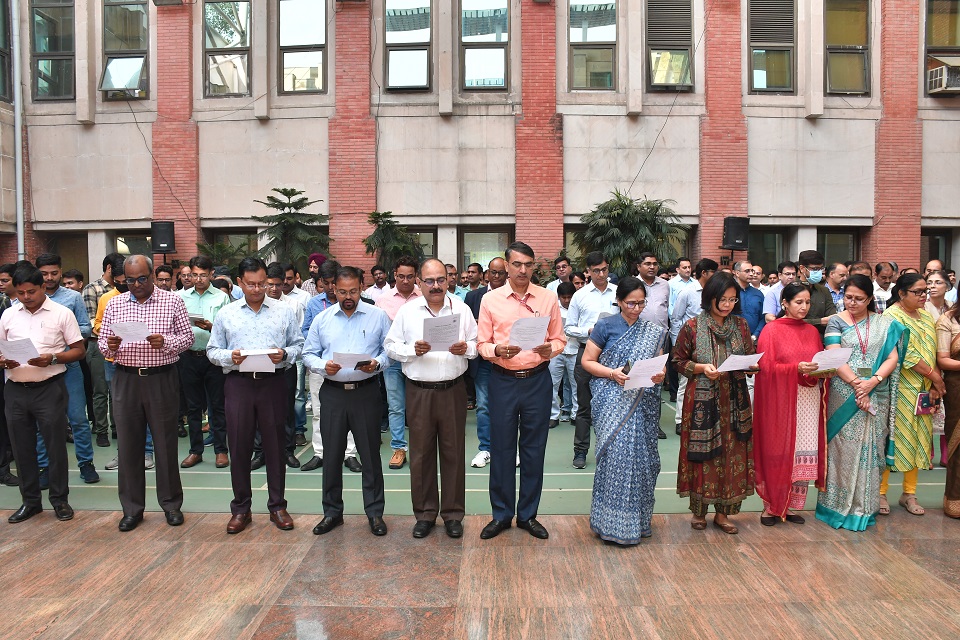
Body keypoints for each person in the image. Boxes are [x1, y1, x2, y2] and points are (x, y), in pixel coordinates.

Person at [207, 257, 304, 534]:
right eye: (251, 284)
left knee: (275, 445)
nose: (258, 289)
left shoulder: (284, 311)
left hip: (273, 383)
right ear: (240, 283)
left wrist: (284, 354)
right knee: (239, 446)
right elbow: (213, 351)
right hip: (238, 384)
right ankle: (241, 509)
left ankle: (277, 506)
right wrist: (231, 356)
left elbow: (299, 344)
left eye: (262, 283)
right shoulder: (227, 314)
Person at [476, 242, 565, 540]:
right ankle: (501, 515)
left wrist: (550, 348)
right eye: (517, 264)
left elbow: (560, 339)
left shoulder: (548, 297)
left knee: (533, 449)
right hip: (502, 380)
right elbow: (481, 344)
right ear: (506, 265)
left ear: (533, 266)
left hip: (537, 380)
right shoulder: (490, 300)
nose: (523, 270)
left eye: (528, 264)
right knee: (501, 449)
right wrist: (497, 349)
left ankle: (528, 515)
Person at [99, 255, 194, 532]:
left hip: (161, 378)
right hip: (126, 378)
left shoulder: (172, 301)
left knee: (165, 444)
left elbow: (187, 338)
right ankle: (132, 509)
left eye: (142, 278)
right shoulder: (114, 303)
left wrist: (165, 342)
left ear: (152, 275)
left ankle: (171, 505)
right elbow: (103, 344)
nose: (137, 284)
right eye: (130, 280)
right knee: (128, 446)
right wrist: (110, 346)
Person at [384, 259, 477, 539]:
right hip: (419, 391)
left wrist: (465, 348)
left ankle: (453, 515)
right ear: (419, 283)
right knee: (421, 455)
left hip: (453, 390)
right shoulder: (407, 311)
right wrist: (412, 350)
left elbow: (476, 344)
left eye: (440, 280)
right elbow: (390, 346)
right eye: (429, 281)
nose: (435, 286)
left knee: (453, 453)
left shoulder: (461, 309)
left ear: (448, 281)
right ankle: (424, 515)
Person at [303, 266, 392, 537]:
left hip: (366, 392)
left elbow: (390, 351)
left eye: (353, 291)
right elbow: (308, 353)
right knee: (331, 456)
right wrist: (323, 366)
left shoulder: (378, 316)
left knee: (370, 455)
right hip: (333, 393)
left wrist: (377, 363)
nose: (348, 297)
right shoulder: (323, 319)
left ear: (361, 287)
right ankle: (332, 512)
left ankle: (375, 513)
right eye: (342, 292)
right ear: (333, 289)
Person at [581, 277, 667, 544]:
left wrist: (660, 375)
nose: (636, 308)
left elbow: (659, 364)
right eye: (631, 303)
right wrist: (612, 373)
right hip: (611, 400)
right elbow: (587, 361)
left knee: (642, 462)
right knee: (617, 459)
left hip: (643, 403)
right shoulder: (605, 326)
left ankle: (637, 523)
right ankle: (609, 523)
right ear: (619, 301)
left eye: (641, 303)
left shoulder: (652, 330)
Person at [815, 274, 904, 531]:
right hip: (844, 393)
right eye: (848, 297)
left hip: (875, 392)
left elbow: (892, 357)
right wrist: (858, 385)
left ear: (869, 299)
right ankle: (835, 506)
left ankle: (865, 508)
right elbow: (833, 355)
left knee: (871, 450)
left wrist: (872, 382)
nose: (852, 303)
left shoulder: (883, 323)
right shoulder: (836, 321)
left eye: (859, 299)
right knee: (842, 448)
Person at [672, 272, 755, 534]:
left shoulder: (741, 325)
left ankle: (723, 513)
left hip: (735, 400)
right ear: (710, 298)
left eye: (732, 299)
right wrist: (700, 367)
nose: (728, 305)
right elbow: (677, 361)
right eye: (723, 299)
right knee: (704, 456)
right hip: (702, 401)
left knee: (732, 454)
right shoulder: (693, 326)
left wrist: (751, 364)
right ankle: (699, 512)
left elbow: (750, 355)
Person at [0, 266, 84, 523]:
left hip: (49, 387)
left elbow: (79, 350)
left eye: (31, 292)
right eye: (21, 293)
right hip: (15, 388)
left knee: (55, 446)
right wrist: (3, 360)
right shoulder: (8, 314)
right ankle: (31, 502)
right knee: (21, 448)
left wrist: (53, 358)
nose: (26, 297)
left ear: (42, 287)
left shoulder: (61, 313)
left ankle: (60, 500)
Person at [754, 283, 827, 526]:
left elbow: (818, 361)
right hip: (780, 400)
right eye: (799, 302)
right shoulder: (771, 330)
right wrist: (795, 368)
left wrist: (824, 370)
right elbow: (766, 368)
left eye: (807, 302)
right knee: (778, 450)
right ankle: (771, 507)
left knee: (803, 453)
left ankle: (792, 505)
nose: (804, 307)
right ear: (784, 303)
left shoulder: (812, 332)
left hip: (808, 398)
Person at [882, 272, 944, 515]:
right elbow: (905, 354)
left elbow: (932, 351)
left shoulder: (926, 316)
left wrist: (935, 384)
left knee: (919, 440)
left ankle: (909, 493)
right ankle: (881, 493)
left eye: (924, 291)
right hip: (899, 388)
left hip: (924, 390)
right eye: (917, 292)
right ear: (901, 293)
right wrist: (935, 377)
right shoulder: (891, 317)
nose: (923, 296)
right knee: (893, 439)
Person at [35, 253, 99, 484]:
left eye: (54, 273)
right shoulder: (32, 298)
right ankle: (44, 467)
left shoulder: (72, 297)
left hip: (69, 364)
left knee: (78, 418)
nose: (49, 278)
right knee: (43, 422)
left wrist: (65, 334)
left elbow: (85, 327)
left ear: (61, 272)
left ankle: (86, 464)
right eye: (44, 274)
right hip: (40, 369)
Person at [300, 260, 361, 473]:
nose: (329, 287)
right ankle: (320, 453)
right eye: (325, 283)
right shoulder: (315, 304)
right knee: (318, 411)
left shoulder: (357, 305)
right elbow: (306, 330)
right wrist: (322, 348)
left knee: (351, 413)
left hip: (350, 367)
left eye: (332, 282)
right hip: (323, 366)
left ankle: (349, 454)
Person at [177, 256, 231, 470]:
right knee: (192, 407)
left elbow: (228, 328)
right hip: (188, 356)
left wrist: (211, 326)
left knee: (217, 405)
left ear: (211, 274)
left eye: (203, 275)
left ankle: (221, 450)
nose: (198, 279)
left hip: (213, 357)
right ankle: (195, 451)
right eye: (194, 275)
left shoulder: (221, 297)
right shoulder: (180, 297)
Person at [565, 251, 618, 469]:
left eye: (604, 270)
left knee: (614, 405)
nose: (601, 274)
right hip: (586, 351)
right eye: (596, 271)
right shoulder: (580, 295)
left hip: (614, 354)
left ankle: (611, 451)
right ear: (588, 272)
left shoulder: (618, 292)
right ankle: (580, 451)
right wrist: (589, 330)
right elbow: (569, 328)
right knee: (584, 406)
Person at [376, 256, 422, 470]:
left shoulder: (423, 297)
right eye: (401, 276)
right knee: (395, 406)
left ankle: (420, 449)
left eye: (410, 276)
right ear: (394, 275)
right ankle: (399, 448)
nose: (405, 280)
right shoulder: (383, 300)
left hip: (419, 360)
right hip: (393, 361)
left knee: (419, 407)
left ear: (416, 276)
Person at [464, 257, 507, 468]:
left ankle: (508, 449)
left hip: (507, 360)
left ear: (506, 275)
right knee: (483, 406)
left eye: (501, 273)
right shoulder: (473, 296)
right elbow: (464, 327)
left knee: (508, 407)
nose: (496, 276)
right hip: (482, 361)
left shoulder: (512, 296)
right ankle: (486, 448)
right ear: (486, 274)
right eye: (493, 272)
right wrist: (477, 325)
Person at [670, 259, 717, 434]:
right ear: (704, 273)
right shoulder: (688, 292)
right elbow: (676, 318)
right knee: (685, 381)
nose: (715, 276)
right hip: (689, 342)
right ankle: (680, 420)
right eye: (713, 272)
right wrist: (678, 344)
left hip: (711, 343)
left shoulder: (715, 291)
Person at [936, 294, 960, 518]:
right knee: (958, 444)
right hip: (957, 387)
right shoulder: (949, 320)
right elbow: (942, 360)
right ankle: (955, 499)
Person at [549, 282, 578, 428]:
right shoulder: (553, 308)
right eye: (563, 297)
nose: (566, 300)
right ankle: (553, 415)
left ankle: (576, 415)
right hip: (556, 351)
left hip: (574, 349)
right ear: (558, 297)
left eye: (569, 297)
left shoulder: (578, 307)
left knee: (576, 384)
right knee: (552, 384)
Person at [795, 250, 837, 335]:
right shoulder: (791, 289)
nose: (819, 272)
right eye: (814, 269)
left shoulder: (824, 290)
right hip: (797, 336)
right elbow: (791, 321)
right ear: (802, 268)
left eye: (821, 268)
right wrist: (820, 321)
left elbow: (832, 317)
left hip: (820, 338)